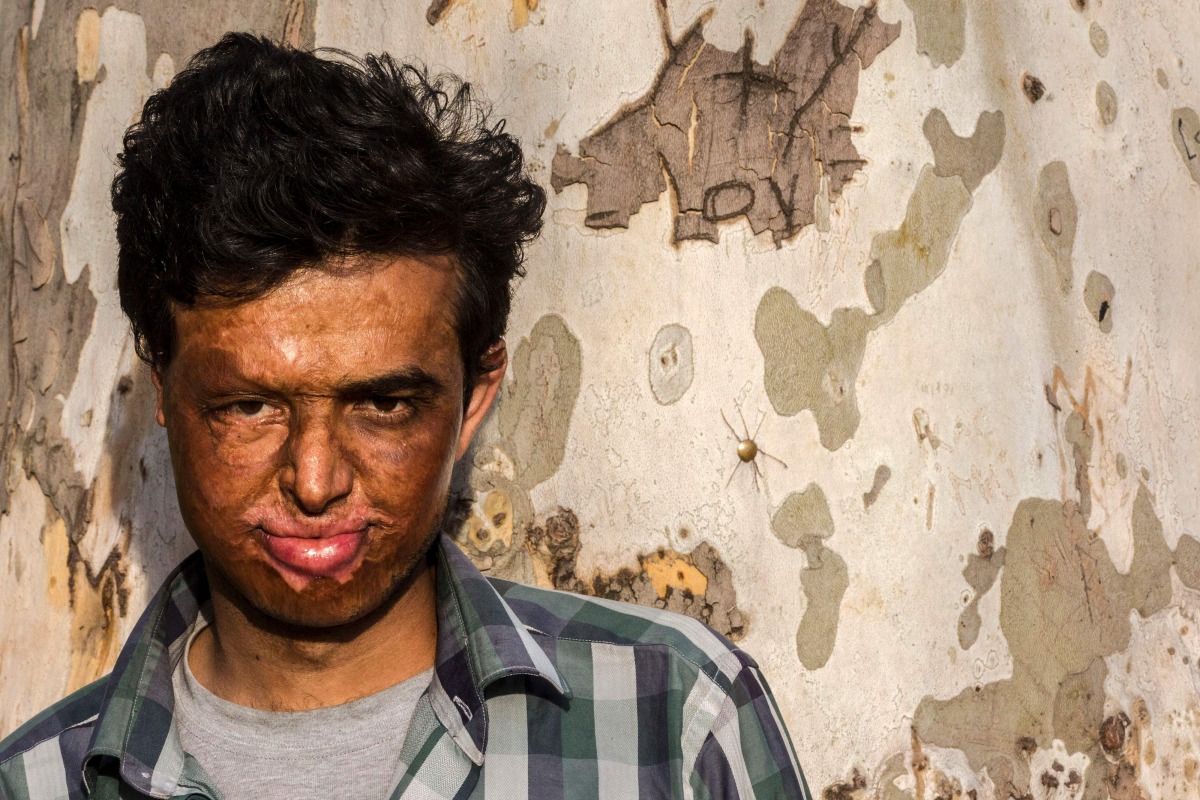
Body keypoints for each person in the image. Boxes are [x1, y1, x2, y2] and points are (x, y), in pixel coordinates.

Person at [0, 34, 811, 800]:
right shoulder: (35, 782)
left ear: (474, 400)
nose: (314, 482)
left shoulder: (674, 725)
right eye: (248, 406)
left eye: (384, 404)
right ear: (164, 394)